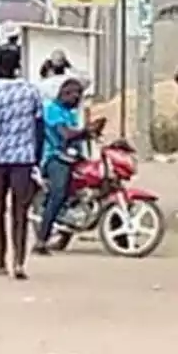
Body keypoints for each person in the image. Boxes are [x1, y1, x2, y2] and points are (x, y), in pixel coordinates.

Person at [0, 45, 44, 279]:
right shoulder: (31, 91)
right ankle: (19, 262)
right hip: (24, 159)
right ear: (18, 66)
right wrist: (37, 157)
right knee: (20, 212)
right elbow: (39, 126)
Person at [33, 78, 105, 255]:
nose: (77, 99)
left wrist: (91, 131)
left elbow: (77, 136)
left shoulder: (69, 113)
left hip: (71, 157)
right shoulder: (52, 110)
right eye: (75, 94)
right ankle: (41, 240)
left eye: (79, 95)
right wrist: (84, 131)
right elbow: (64, 134)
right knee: (59, 193)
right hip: (54, 158)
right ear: (64, 93)